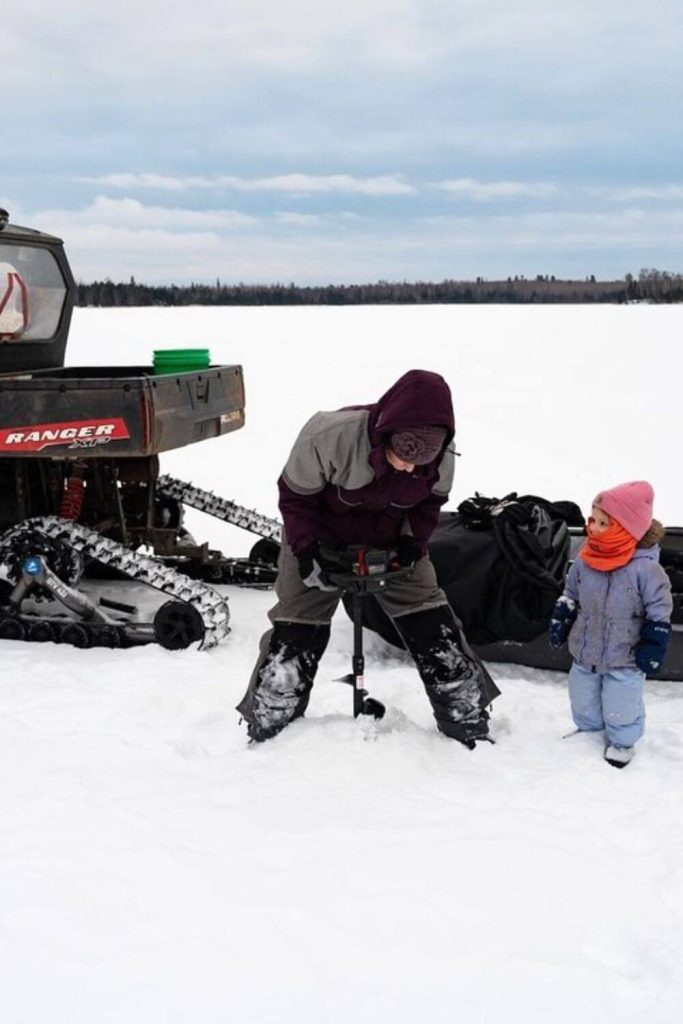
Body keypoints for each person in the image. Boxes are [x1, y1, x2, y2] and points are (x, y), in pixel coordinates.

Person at [237, 368, 500, 746]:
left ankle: (468, 722)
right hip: (318, 538)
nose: (410, 468)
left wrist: (412, 545)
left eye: (421, 463)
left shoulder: (442, 457)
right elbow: (295, 499)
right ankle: (270, 728)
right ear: (386, 433)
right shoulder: (328, 436)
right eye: (403, 456)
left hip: (393, 542)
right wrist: (308, 552)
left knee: (434, 623)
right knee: (295, 628)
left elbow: (429, 506)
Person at [549, 481, 673, 768]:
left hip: (625, 656)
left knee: (621, 703)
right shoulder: (586, 558)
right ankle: (588, 731)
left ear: (626, 528)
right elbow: (571, 592)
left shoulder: (646, 569)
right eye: (592, 520)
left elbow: (659, 610)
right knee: (582, 697)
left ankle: (622, 741)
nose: (593, 527)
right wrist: (562, 616)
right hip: (586, 649)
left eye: (603, 523)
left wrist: (655, 642)